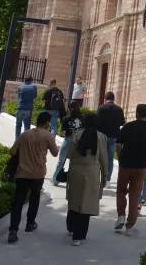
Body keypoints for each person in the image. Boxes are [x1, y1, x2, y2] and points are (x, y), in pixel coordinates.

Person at [8, 111, 59, 243]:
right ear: (47, 123)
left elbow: (12, 151)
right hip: (38, 173)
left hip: (22, 173)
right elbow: (54, 153)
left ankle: (13, 230)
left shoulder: (25, 134)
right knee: (34, 198)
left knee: (18, 202)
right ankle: (30, 224)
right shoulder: (48, 136)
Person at [114, 104, 146, 235]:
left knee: (121, 191)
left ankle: (121, 216)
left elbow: (118, 144)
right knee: (135, 195)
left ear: (136, 113)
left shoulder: (127, 126)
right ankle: (129, 226)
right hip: (141, 166)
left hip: (125, 164)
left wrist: (120, 156)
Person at [65, 113, 108, 246]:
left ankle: (71, 227)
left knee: (74, 199)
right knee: (86, 203)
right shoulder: (101, 137)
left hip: (76, 171)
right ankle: (79, 236)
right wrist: (104, 175)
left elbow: (70, 155)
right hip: (92, 172)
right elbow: (104, 159)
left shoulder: (76, 135)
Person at [52, 101, 84, 187]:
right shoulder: (83, 118)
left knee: (61, 161)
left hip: (68, 140)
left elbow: (63, 131)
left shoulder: (66, 118)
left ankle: (55, 179)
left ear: (69, 108)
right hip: (79, 141)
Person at [96, 91, 125, 180]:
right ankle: (107, 179)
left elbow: (97, 122)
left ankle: (99, 177)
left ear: (105, 99)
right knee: (110, 158)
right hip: (113, 136)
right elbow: (122, 122)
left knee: (99, 157)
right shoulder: (119, 109)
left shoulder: (101, 108)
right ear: (113, 99)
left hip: (102, 136)